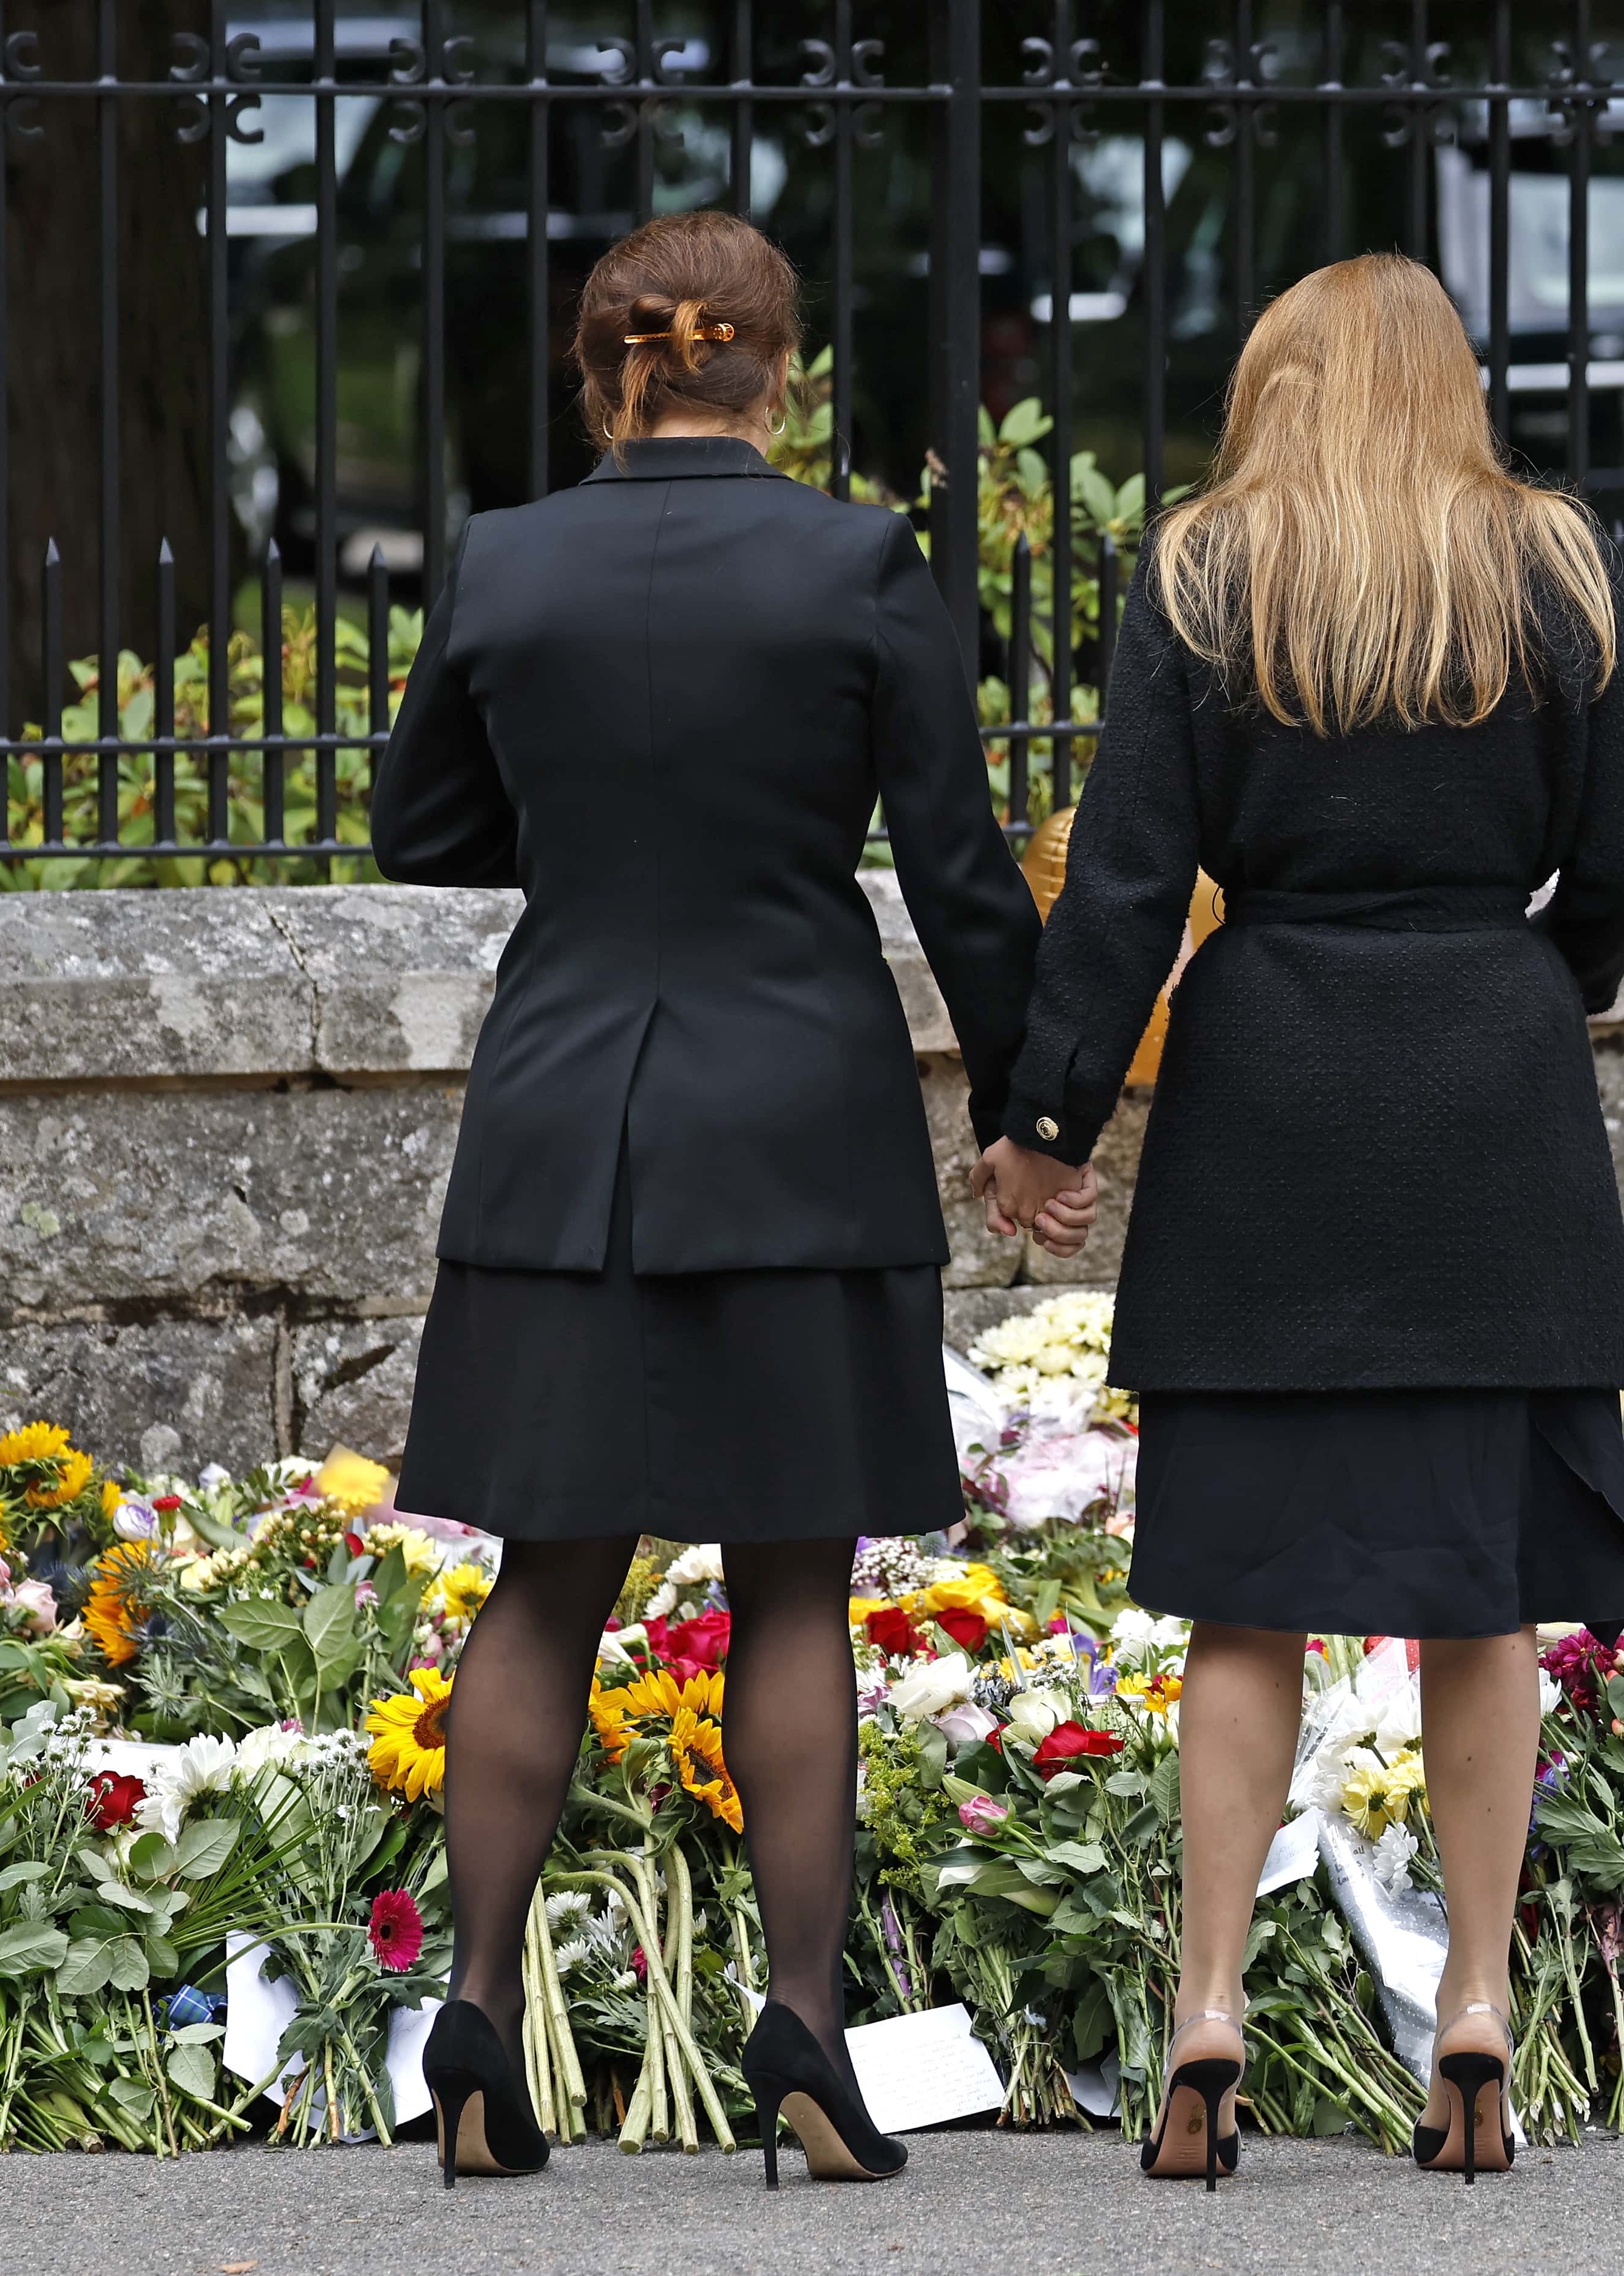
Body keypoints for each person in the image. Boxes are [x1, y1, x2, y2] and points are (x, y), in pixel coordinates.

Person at [370, 208, 1093, 2190]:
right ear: (777, 370)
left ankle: (481, 2024)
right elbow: (958, 872)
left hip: (565, 1121)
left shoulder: (511, 562)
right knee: (792, 1579)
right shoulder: (858, 563)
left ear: (606, 368)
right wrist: (1044, 1112)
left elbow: (423, 827)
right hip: (803, 1123)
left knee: (547, 1573)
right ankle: (799, 2026)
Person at [1005, 253, 1624, 2185]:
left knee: (1248, 1601)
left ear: (1276, 385)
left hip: (1270, 1102)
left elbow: (1130, 881)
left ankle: (1208, 2006)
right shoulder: (1550, 566)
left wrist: (1049, 1117)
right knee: (1481, 1604)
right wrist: (1532, 981)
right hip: (1491, 1093)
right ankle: (1473, 2002)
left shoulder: (1206, 573)